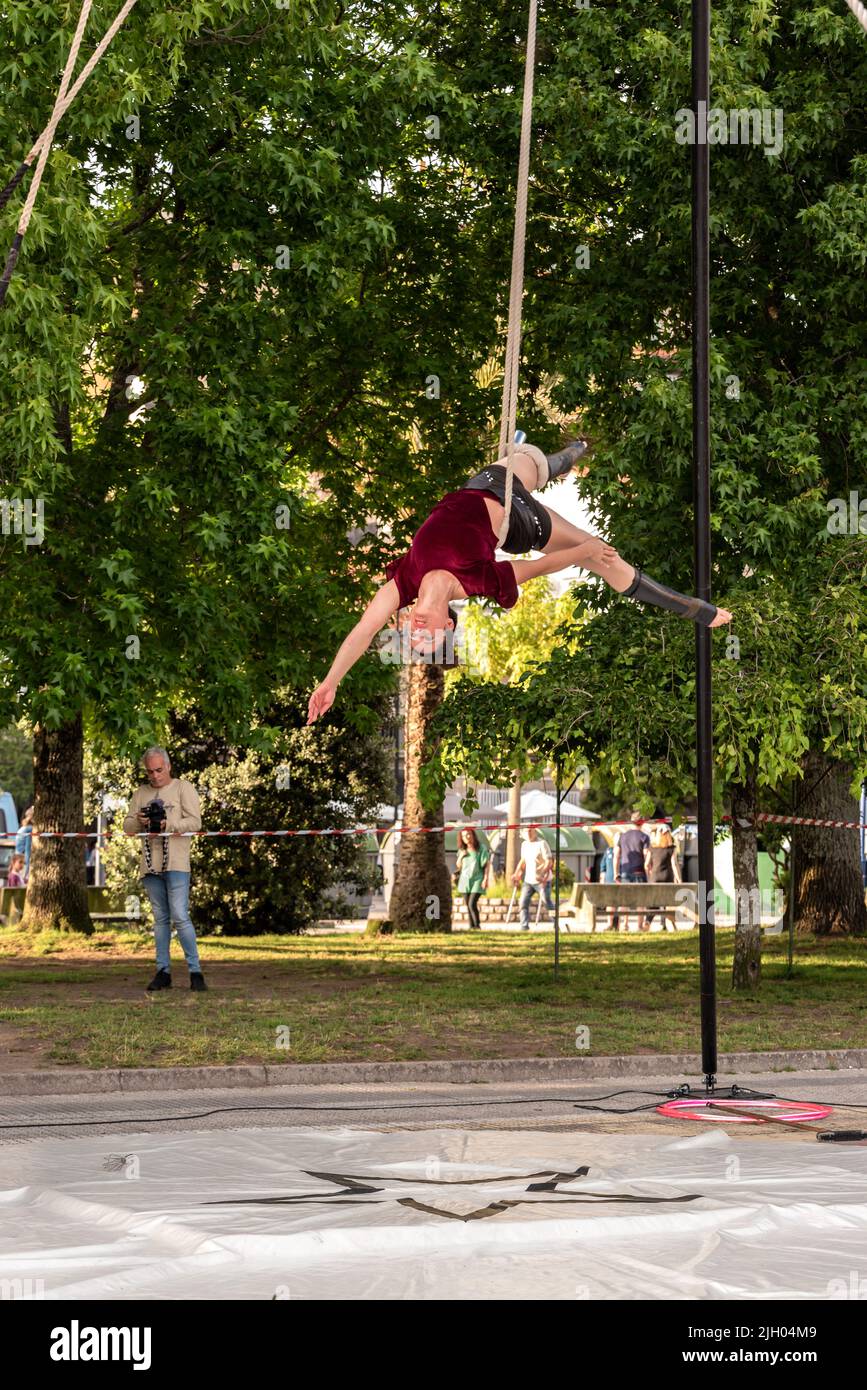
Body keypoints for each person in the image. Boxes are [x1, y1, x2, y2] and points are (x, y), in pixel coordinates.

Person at [307, 440, 733, 722]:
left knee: (528, 457)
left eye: (411, 637)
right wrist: (584, 553)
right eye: (427, 642)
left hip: (487, 484)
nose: (416, 634)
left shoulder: (404, 582)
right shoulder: (479, 581)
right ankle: (695, 610)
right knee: (606, 556)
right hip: (519, 522)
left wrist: (330, 682)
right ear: (447, 626)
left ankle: (576, 449)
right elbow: (541, 567)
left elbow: (362, 633)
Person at [122, 746, 207, 992]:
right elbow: (128, 826)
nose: (155, 776)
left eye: (159, 770)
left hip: (177, 862)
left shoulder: (183, 788)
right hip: (150, 864)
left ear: (168, 766)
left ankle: (195, 971)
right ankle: (163, 971)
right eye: (150, 771)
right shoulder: (141, 793)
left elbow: (195, 822)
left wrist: (166, 823)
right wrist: (140, 821)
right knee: (160, 919)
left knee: (180, 915)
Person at [614, 811, 651, 932]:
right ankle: (639, 926)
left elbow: (617, 855)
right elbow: (646, 855)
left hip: (624, 871)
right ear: (643, 822)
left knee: (624, 901)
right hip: (639, 872)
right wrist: (649, 869)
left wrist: (616, 872)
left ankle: (624, 924)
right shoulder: (644, 837)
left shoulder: (622, 836)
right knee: (641, 900)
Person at [513, 824, 554, 930]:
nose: (528, 833)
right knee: (523, 902)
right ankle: (524, 926)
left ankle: (556, 923)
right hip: (528, 880)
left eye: (530, 831)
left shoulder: (542, 843)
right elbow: (523, 861)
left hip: (542, 879)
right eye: (526, 831)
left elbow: (549, 861)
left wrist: (542, 873)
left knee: (547, 901)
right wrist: (517, 872)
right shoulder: (524, 844)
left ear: (535, 831)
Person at [645, 824, 682, 931]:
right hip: (667, 878)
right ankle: (665, 924)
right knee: (666, 902)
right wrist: (679, 879)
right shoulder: (672, 848)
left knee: (654, 901)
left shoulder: (652, 848)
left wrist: (650, 873)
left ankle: (648, 921)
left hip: (655, 878)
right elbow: (674, 864)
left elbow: (646, 864)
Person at [455, 827, 490, 930]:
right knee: (468, 905)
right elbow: (458, 865)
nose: (467, 837)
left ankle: (477, 926)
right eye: (464, 836)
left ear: (473, 835)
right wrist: (461, 856)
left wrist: (485, 879)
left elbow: (487, 864)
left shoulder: (481, 848)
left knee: (472, 903)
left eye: (468, 834)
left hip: (477, 880)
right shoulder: (462, 850)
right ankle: (471, 927)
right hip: (465, 881)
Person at [14, 806, 33, 878]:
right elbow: (27, 848)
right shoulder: (29, 829)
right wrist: (27, 867)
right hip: (23, 860)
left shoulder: (22, 828)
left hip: (17, 857)